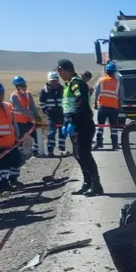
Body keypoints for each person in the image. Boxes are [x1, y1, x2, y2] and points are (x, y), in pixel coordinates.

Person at [57, 59, 103, 196]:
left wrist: (72, 121)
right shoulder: (68, 84)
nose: (59, 74)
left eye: (59, 71)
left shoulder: (77, 83)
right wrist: (67, 122)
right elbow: (68, 106)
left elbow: (80, 103)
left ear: (65, 69)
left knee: (85, 155)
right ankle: (87, 183)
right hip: (74, 124)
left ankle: (96, 185)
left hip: (82, 124)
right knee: (78, 155)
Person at [10, 76, 41, 159]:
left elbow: (32, 106)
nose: (23, 87)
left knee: (36, 136)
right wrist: (33, 116)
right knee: (19, 140)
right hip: (18, 123)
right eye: (21, 85)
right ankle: (19, 156)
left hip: (28, 121)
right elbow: (21, 110)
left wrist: (37, 115)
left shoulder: (28, 94)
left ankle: (36, 152)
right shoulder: (14, 96)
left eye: (24, 85)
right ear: (16, 87)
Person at [93, 62, 121, 150]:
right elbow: (121, 96)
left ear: (106, 71)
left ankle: (99, 143)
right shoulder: (117, 83)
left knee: (100, 126)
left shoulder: (101, 81)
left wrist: (95, 103)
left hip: (102, 107)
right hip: (113, 108)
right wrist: (119, 106)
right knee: (114, 127)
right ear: (114, 72)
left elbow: (96, 92)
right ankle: (115, 144)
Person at [39, 71, 67, 157]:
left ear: (58, 80)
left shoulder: (63, 89)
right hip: (51, 116)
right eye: (52, 80)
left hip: (62, 115)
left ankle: (62, 149)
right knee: (51, 133)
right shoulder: (44, 91)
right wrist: (47, 111)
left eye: (56, 80)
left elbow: (66, 101)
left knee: (62, 132)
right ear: (49, 81)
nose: (54, 82)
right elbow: (42, 103)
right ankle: (50, 150)